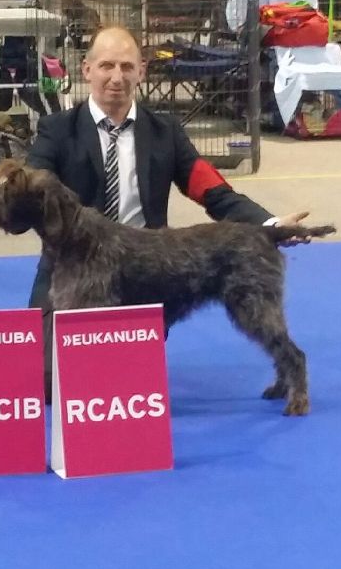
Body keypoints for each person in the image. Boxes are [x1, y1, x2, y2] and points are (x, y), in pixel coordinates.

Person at [26, 24, 311, 399]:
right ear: (87, 70)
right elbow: (30, 193)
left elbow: (212, 190)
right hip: (72, 276)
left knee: (121, 387)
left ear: (142, 71)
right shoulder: (57, 130)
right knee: (51, 385)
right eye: (107, 66)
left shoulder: (164, 132)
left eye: (127, 67)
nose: (116, 77)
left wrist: (269, 224)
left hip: (145, 279)